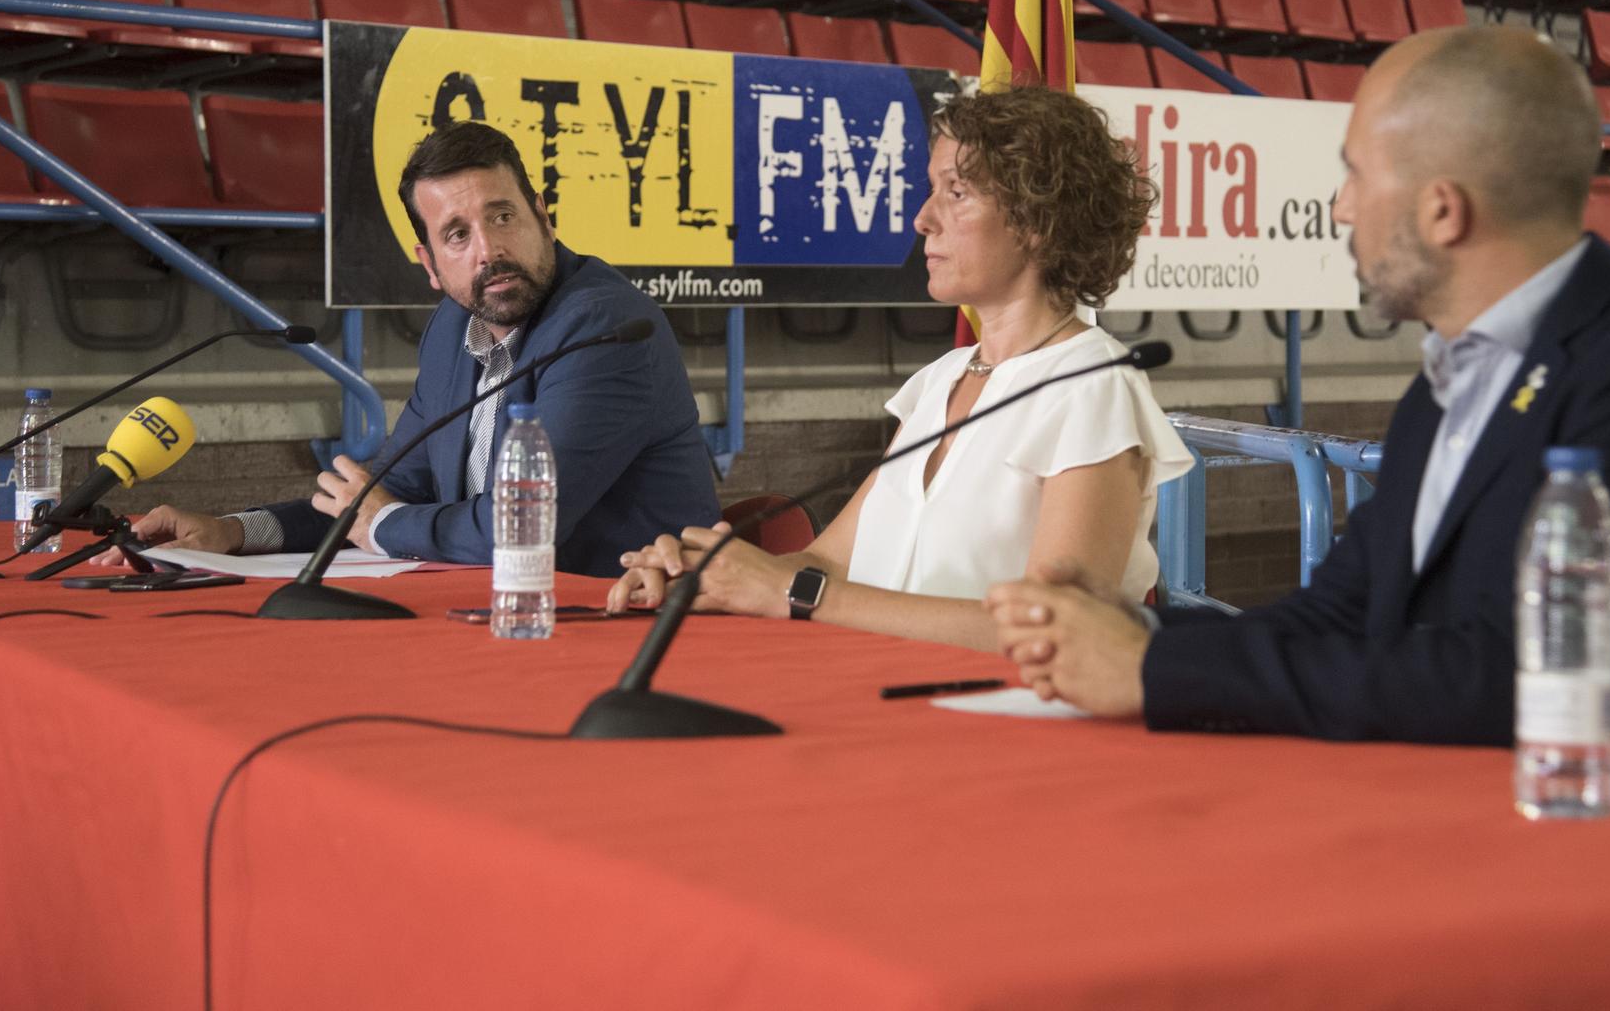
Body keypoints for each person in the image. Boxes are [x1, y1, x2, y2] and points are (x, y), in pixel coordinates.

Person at [987, 26, 1610, 791]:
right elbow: (1338, 615)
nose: (1340, 209)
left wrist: (1153, 672)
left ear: (1442, 210)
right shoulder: (1446, 387)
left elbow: (1516, 677)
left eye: (1358, 174)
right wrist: (1133, 631)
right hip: (1479, 825)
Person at [607, 86, 1194, 652]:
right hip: (886, 695)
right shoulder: (945, 378)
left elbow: (1056, 628)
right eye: (931, 189)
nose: (923, 219)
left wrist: (792, 591)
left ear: (1038, 219)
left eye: (956, 192)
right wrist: (714, 575)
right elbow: (830, 562)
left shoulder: (1092, 387)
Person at [105, 122, 720, 575]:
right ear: (430, 264)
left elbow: (520, 530)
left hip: (626, 620)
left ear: (544, 218)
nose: (488, 250)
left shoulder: (602, 327)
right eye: (457, 234)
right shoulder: (454, 330)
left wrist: (384, 524)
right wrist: (232, 533)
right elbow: (386, 493)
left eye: (503, 217)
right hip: (503, 614)